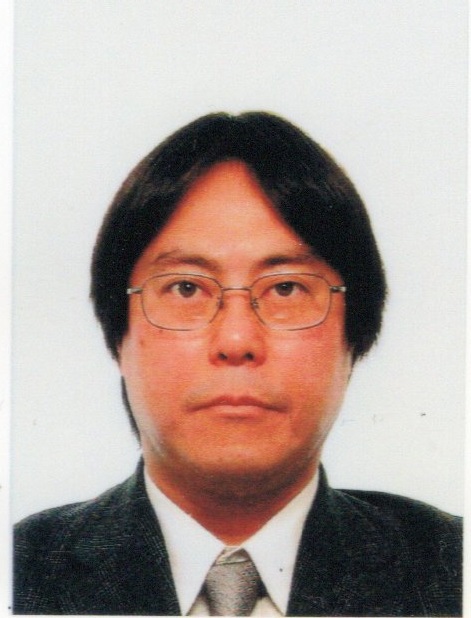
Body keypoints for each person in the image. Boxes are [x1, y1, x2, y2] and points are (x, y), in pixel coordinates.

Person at [14, 112, 462, 616]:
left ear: (354, 338)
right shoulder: (21, 572)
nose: (236, 340)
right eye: (186, 288)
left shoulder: (449, 570)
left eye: (286, 288)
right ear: (119, 337)